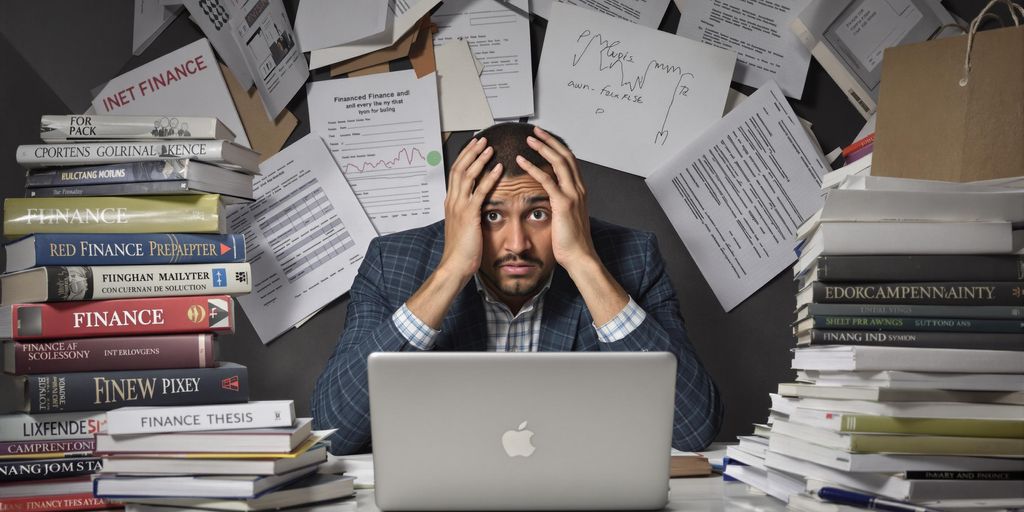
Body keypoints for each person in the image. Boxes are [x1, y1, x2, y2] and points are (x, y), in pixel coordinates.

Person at [311, 122, 723, 455]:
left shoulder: (633, 257)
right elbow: (335, 431)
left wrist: (583, 262)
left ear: (572, 207)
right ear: (459, 212)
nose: (517, 244)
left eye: (539, 213)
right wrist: (452, 270)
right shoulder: (392, 264)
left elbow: (692, 428)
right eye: (491, 216)